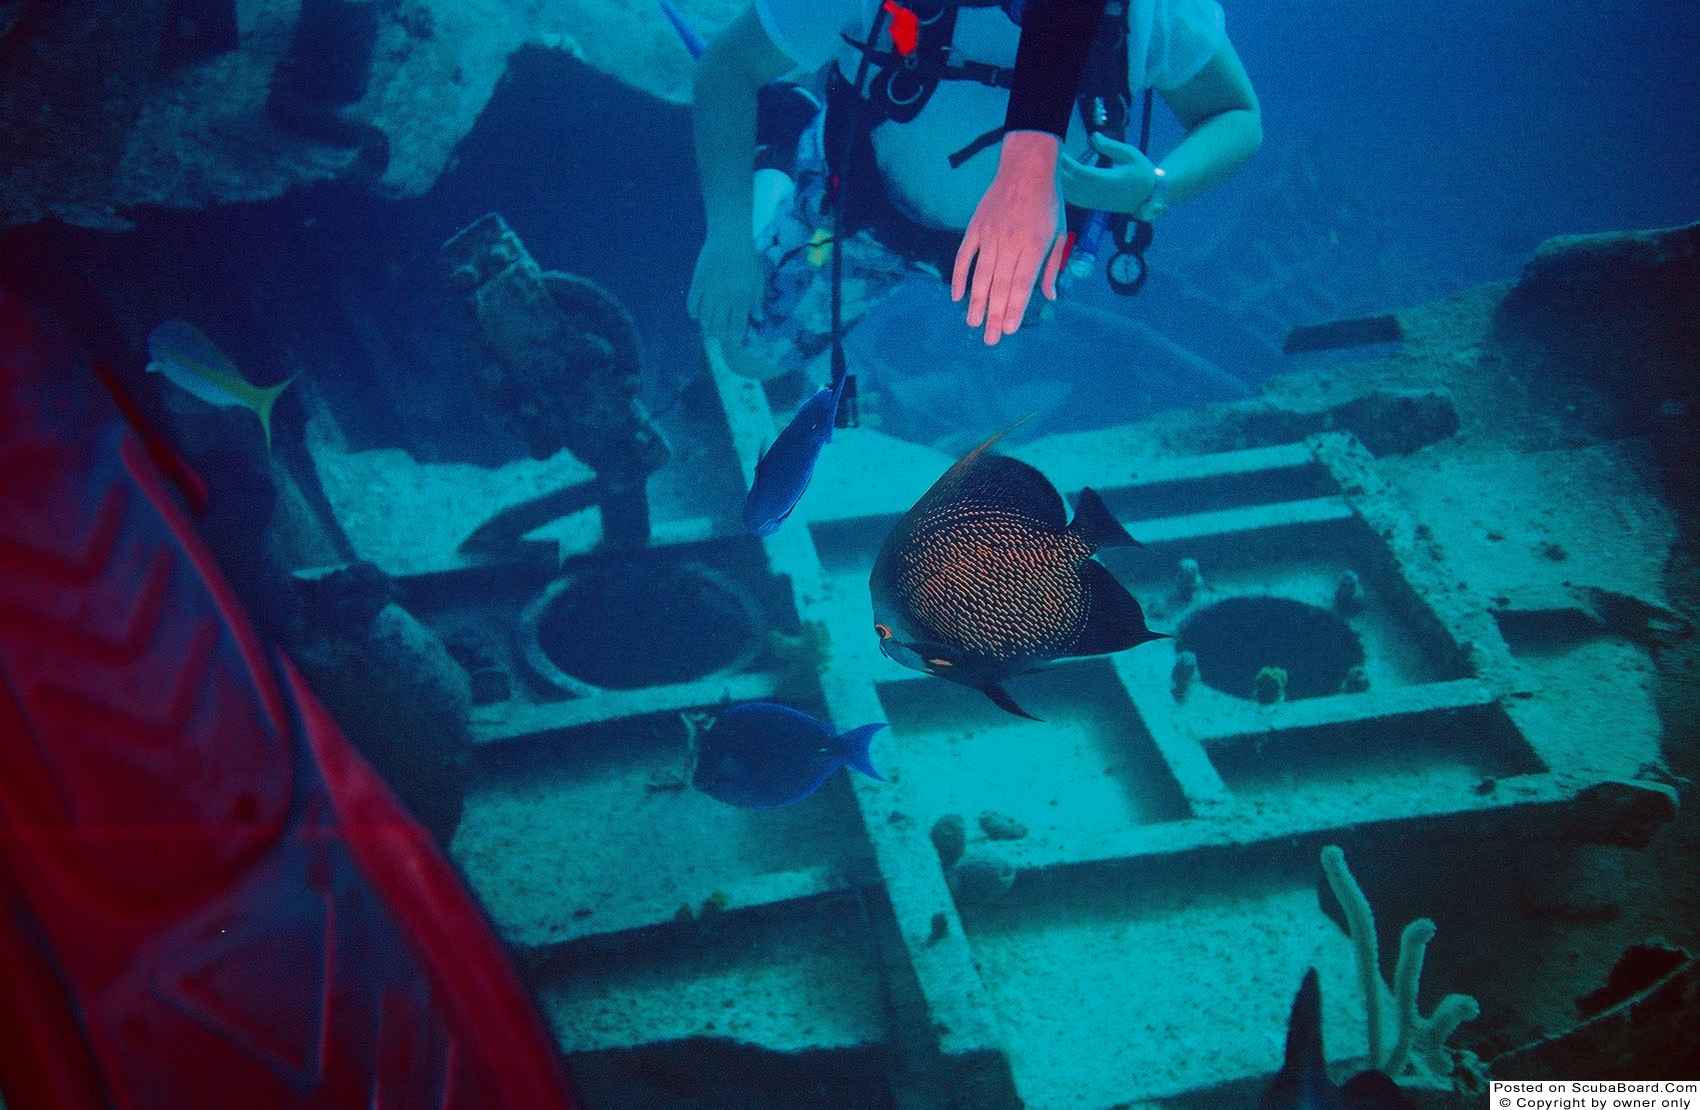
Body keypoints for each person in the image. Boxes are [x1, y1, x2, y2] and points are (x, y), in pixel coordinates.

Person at [689, 0, 1261, 354]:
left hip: (1022, 250)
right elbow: (729, 65)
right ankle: (784, 141)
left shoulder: (1150, 11)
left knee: (1018, 334)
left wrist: (1154, 186)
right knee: (747, 348)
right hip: (864, 216)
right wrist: (729, 236)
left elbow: (1234, 115)